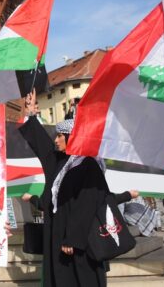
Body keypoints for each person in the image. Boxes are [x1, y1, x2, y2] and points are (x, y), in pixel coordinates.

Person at [19, 89, 137, 286]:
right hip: (57, 235)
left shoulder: (88, 165)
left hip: (80, 241)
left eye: (60, 136)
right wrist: (31, 114)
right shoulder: (58, 162)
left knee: (82, 279)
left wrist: (73, 239)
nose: (56, 140)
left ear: (72, 137)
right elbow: (41, 145)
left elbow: (87, 205)